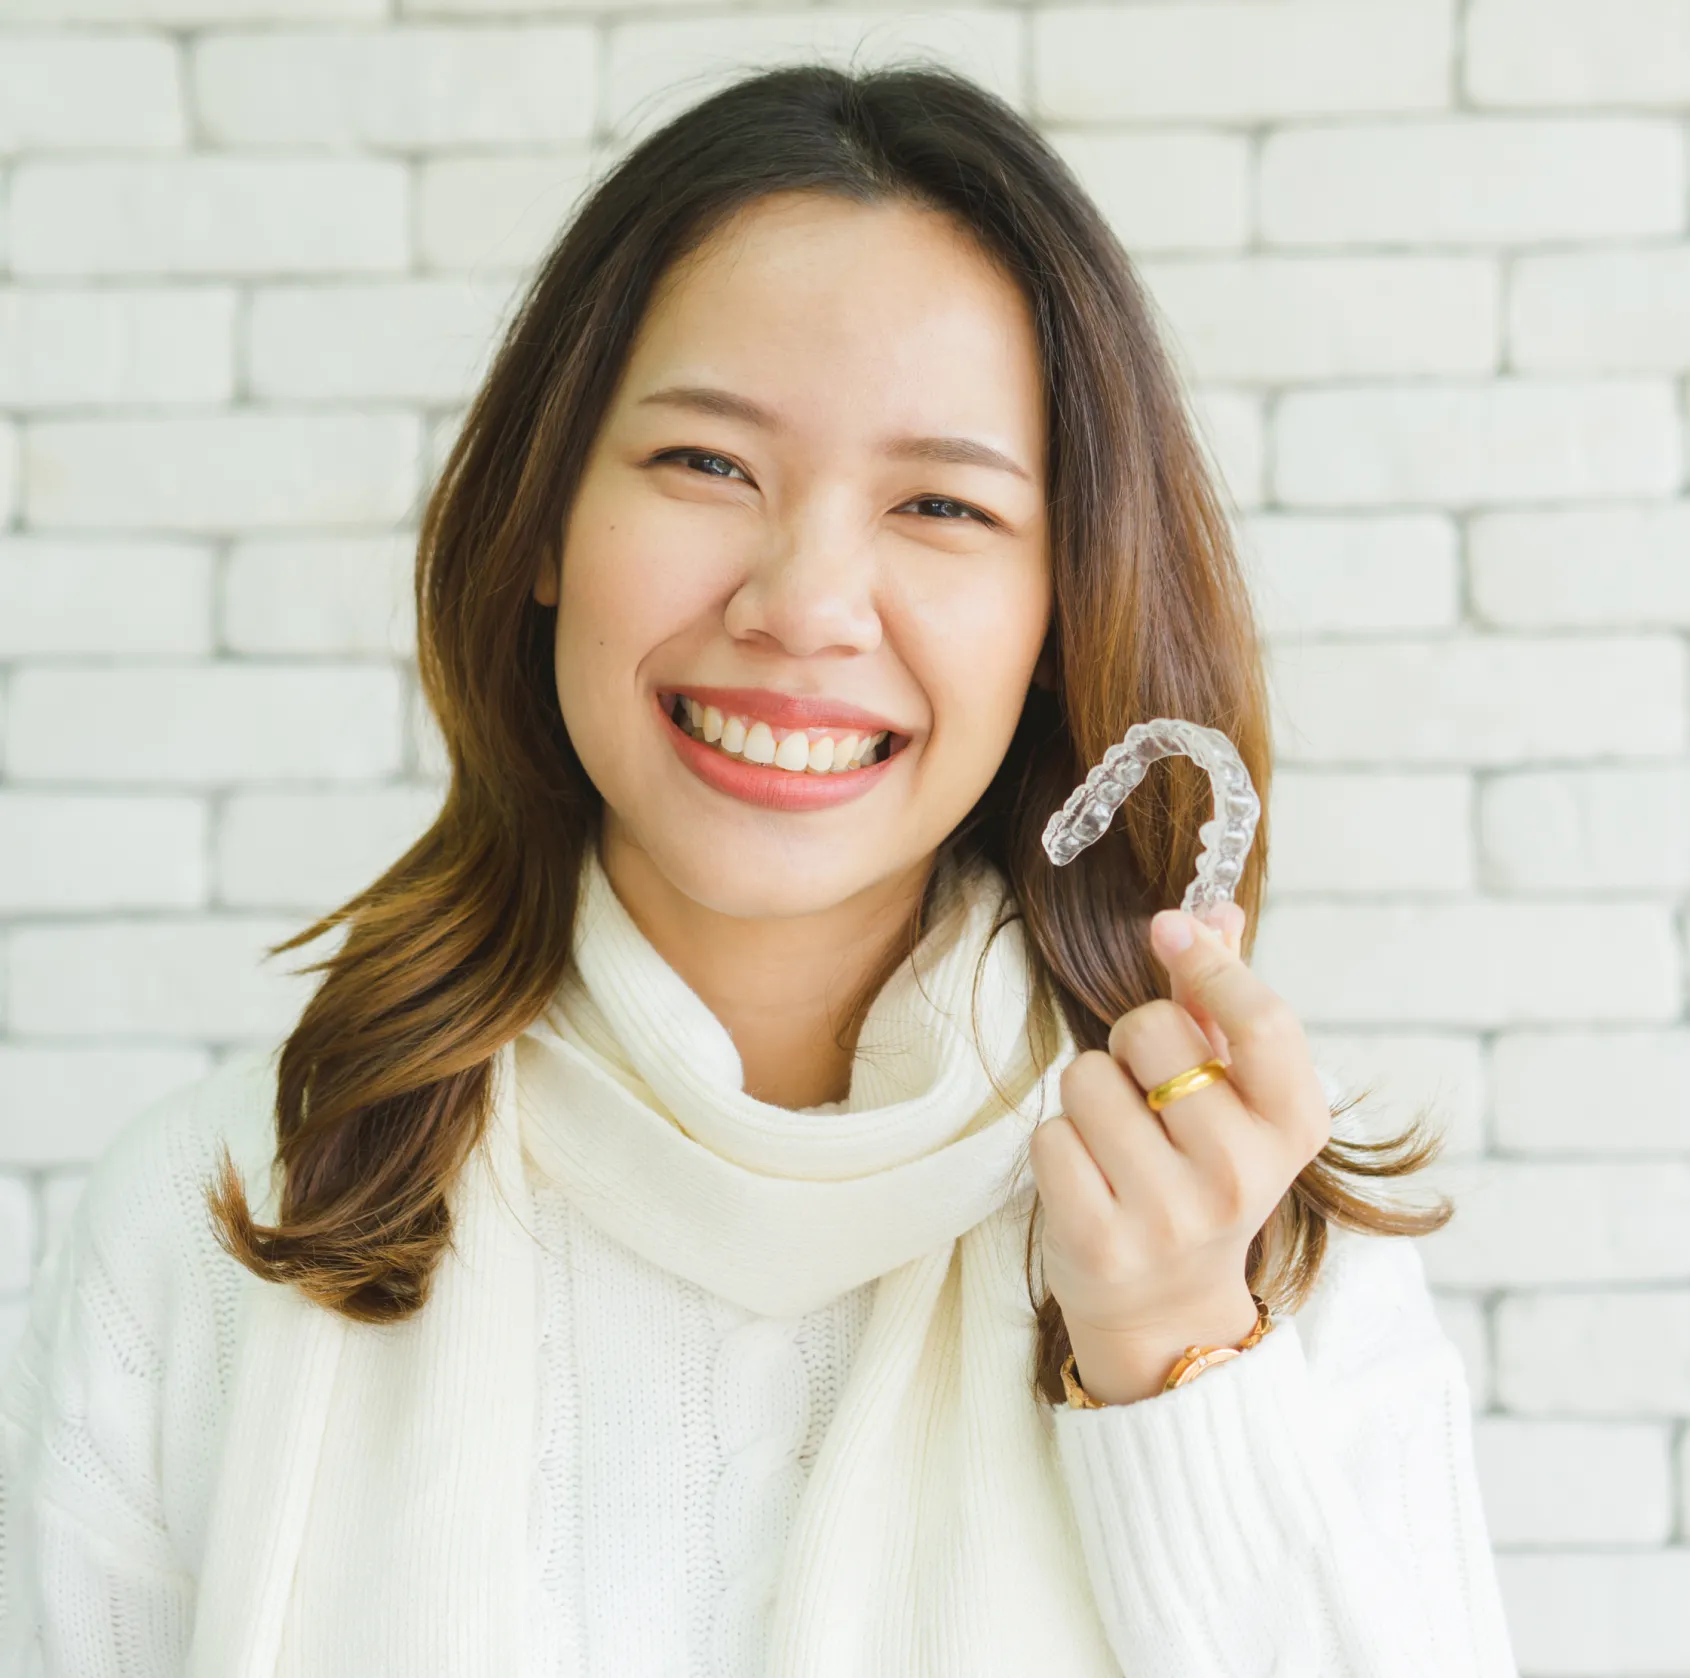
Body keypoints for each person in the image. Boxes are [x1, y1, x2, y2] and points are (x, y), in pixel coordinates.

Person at [0, 61, 1518, 1678]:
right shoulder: (218, 1217)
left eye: (940, 502)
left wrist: (1170, 1363)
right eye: (705, 466)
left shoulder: (1260, 1233)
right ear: (539, 523)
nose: (805, 602)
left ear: (1061, 618)